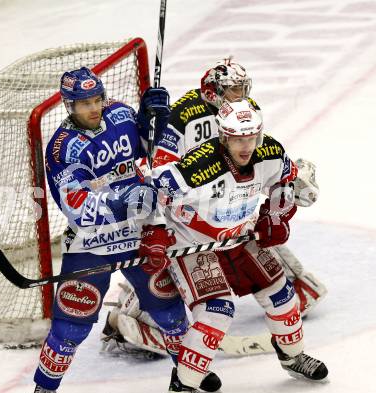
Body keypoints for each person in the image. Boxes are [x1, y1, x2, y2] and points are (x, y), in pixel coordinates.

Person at [100, 57, 326, 360]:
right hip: (189, 204)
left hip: (227, 201)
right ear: (212, 93)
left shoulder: (245, 111)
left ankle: (291, 287)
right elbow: (160, 174)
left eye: (242, 89)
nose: (240, 96)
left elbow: (259, 156)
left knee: (258, 232)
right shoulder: (182, 116)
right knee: (172, 260)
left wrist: (284, 184)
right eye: (232, 90)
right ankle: (132, 316)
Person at [139, 99, 328, 393]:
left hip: (237, 234)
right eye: (238, 139)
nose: (245, 146)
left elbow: (287, 182)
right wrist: (155, 232)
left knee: (282, 295)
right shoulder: (199, 166)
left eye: (251, 138)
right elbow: (151, 191)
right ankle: (182, 388)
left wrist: (275, 215)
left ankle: (292, 358)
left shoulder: (270, 152)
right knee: (216, 311)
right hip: (191, 241)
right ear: (224, 137)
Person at [29, 67, 191, 393]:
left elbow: (148, 150)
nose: (92, 107)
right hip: (93, 241)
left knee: (169, 311)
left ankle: (189, 377)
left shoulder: (119, 113)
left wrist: (154, 120)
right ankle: (44, 390)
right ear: (68, 106)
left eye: (96, 99)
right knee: (71, 323)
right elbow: (75, 206)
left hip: (139, 233)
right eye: (83, 102)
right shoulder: (63, 148)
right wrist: (123, 200)